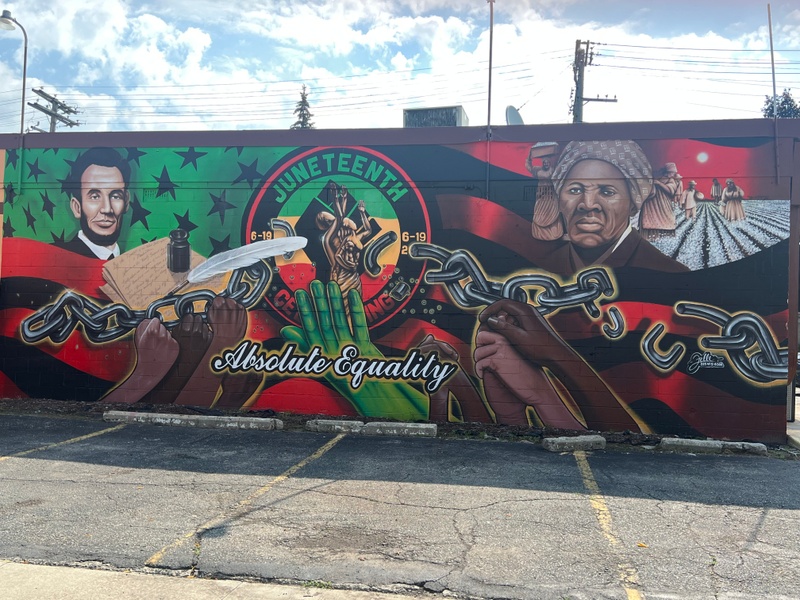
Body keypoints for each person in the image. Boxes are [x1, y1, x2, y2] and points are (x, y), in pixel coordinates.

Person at [532, 140, 689, 277]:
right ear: (559, 199)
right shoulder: (540, 269)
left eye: (607, 192)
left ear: (633, 205)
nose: (588, 204)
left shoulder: (669, 275)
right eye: (575, 190)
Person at [56, 147, 131, 259]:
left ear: (126, 202)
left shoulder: (135, 262)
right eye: (95, 197)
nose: (107, 209)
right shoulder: (57, 258)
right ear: (77, 207)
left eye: (115, 196)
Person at [639, 162, 680, 239]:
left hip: (663, 203)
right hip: (652, 203)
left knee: (666, 219)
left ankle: (664, 237)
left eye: (674, 173)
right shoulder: (659, 178)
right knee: (650, 219)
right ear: (667, 172)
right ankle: (652, 236)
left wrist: (659, 184)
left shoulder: (671, 180)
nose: (673, 174)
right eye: (672, 172)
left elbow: (670, 191)